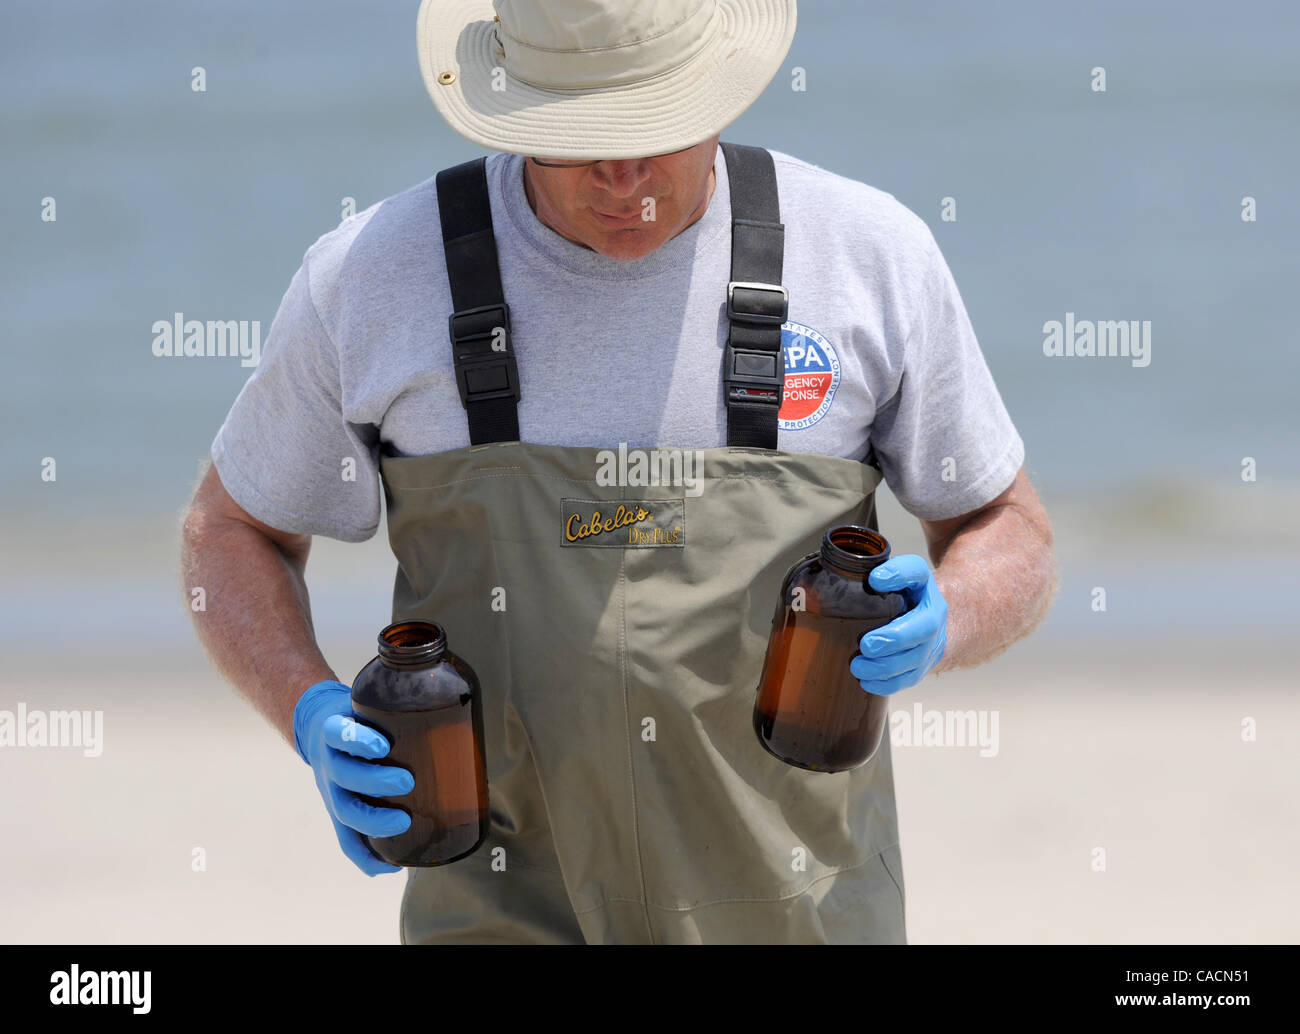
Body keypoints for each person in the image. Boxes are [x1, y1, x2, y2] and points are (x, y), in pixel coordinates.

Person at [181, 0, 1055, 944]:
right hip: (495, 914)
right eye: (578, 140)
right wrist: (308, 710)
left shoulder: (868, 254)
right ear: (513, 107)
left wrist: (950, 618)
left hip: (806, 911)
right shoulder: (374, 276)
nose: (622, 179)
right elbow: (230, 534)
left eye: (657, 130)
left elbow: (1008, 527)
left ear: (721, 89)